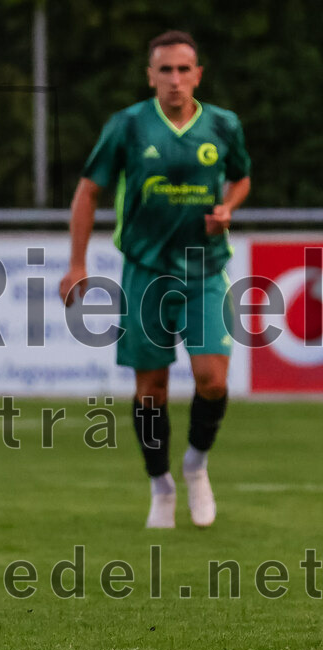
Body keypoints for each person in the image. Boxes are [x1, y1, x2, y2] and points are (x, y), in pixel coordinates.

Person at [59, 30, 251, 529]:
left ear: (198, 75)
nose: (174, 79)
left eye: (184, 69)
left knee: (212, 379)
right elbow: (87, 192)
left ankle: (196, 464)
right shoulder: (128, 126)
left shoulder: (223, 125)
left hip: (205, 269)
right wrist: (77, 264)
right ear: (151, 76)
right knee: (152, 390)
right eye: (164, 70)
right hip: (145, 272)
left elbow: (242, 175)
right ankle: (160, 485)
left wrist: (228, 207)